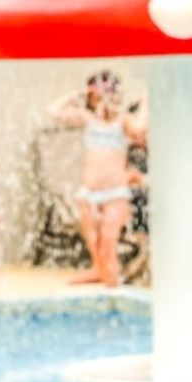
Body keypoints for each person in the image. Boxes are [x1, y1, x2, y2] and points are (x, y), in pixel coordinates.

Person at [46, 70, 147, 287]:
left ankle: (111, 286)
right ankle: (98, 271)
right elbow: (53, 110)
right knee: (94, 243)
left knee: (108, 243)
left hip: (115, 193)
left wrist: (146, 100)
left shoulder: (122, 121)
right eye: (97, 97)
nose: (102, 102)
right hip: (89, 193)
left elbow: (139, 128)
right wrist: (77, 94)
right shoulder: (88, 119)